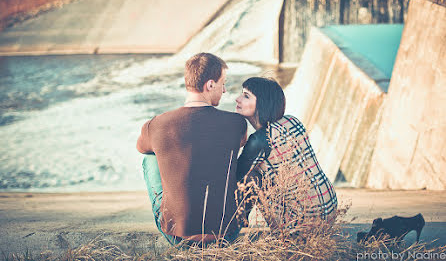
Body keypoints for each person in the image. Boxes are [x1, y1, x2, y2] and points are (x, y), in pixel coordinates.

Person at [136, 53, 247, 246]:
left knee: (150, 158)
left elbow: (141, 147)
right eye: (223, 83)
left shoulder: (155, 125)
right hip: (226, 232)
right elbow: (236, 143)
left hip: (177, 236)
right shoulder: (237, 123)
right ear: (210, 85)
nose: (225, 90)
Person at [235, 77, 337, 234]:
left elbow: (236, 176)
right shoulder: (292, 121)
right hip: (328, 208)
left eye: (246, 96)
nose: (238, 99)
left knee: (251, 177)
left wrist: (239, 139)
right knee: (263, 172)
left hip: (301, 222)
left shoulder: (259, 140)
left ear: (262, 103)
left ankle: (233, 226)